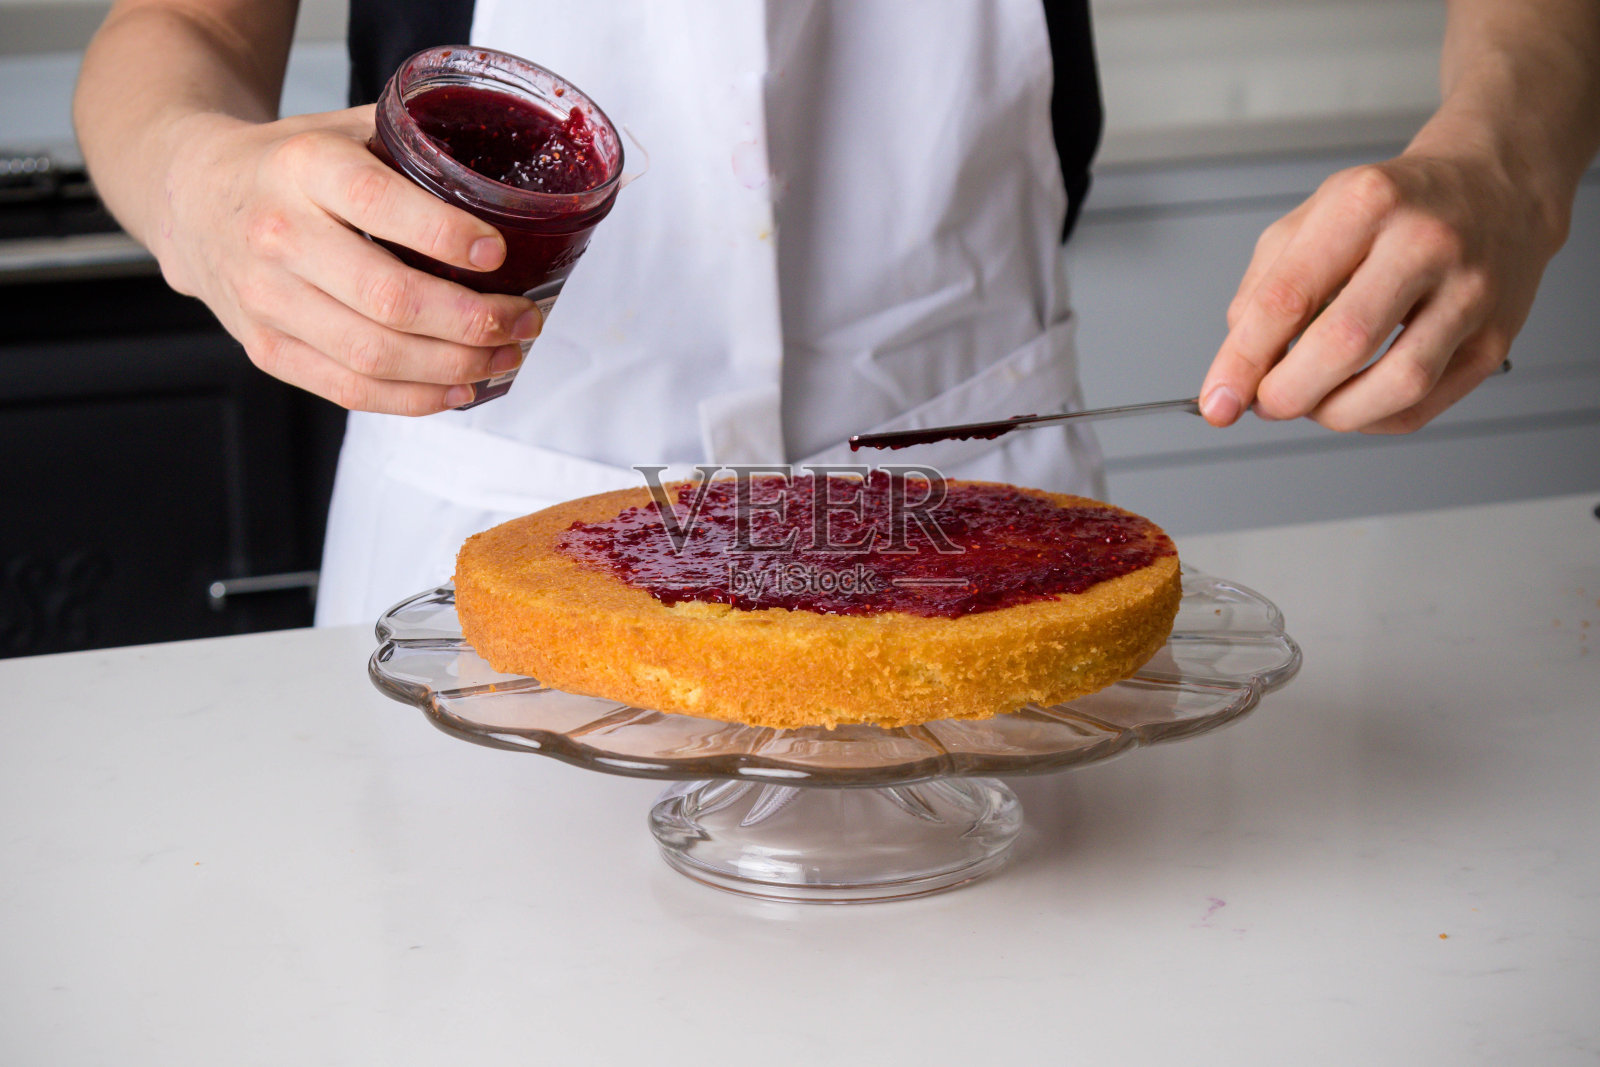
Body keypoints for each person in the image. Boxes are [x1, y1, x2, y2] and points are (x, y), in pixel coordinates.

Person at [73, 1, 1600, 625]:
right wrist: (190, 179)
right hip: (496, 517)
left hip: (987, 526)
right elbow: (177, 33)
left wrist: (1509, 159)